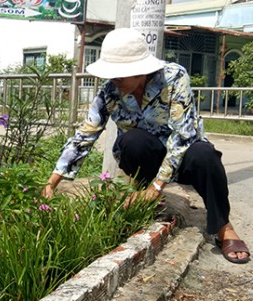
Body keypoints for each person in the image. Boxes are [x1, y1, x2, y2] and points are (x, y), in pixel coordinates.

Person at [42, 28, 250, 264]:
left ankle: (224, 226)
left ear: (140, 70)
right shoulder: (111, 90)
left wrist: (157, 187)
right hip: (147, 156)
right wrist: (53, 181)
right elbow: (86, 133)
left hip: (183, 155)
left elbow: (183, 135)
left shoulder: (173, 78)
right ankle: (144, 192)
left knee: (205, 153)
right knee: (132, 140)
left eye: (120, 75)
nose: (114, 81)